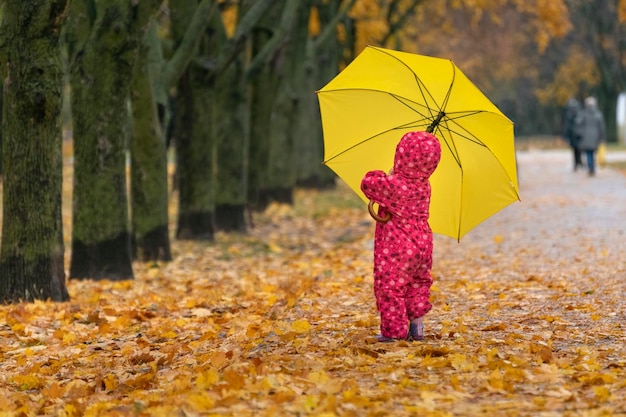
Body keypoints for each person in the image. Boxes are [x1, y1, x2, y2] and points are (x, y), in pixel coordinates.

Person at [360, 131, 441, 342]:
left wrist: (384, 174)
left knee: (390, 287)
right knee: (417, 283)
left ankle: (393, 332)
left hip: (398, 246)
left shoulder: (396, 185)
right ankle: (417, 328)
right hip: (423, 244)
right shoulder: (425, 185)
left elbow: (367, 183)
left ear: (401, 155)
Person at [575, 96, 606, 176]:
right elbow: (601, 127)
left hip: (586, 137)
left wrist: (580, 134)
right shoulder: (598, 114)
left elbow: (578, 124)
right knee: (593, 153)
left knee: (588, 153)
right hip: (595, 137)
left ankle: (590, 168)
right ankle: (592, 167)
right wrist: (602, 137)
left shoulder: (583, 114)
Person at [563, 98, 583, 171]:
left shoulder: (569, 114)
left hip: (573, 135)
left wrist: (566, 136)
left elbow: (567, 126)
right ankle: (579, 162)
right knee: (579, 149)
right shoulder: (580, 112)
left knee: (575, 150)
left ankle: (576, 163)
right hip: (579, 134)